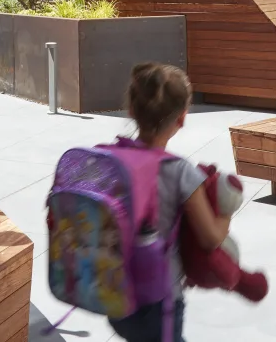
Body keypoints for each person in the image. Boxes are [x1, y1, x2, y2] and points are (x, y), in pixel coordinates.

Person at [108, 63, 233, 342]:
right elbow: (211, 237)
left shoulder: (113, 160)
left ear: (131, 110)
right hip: (158, 303)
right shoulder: (179, 172)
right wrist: (226, 215)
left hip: (116, 297)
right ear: (182, 118)